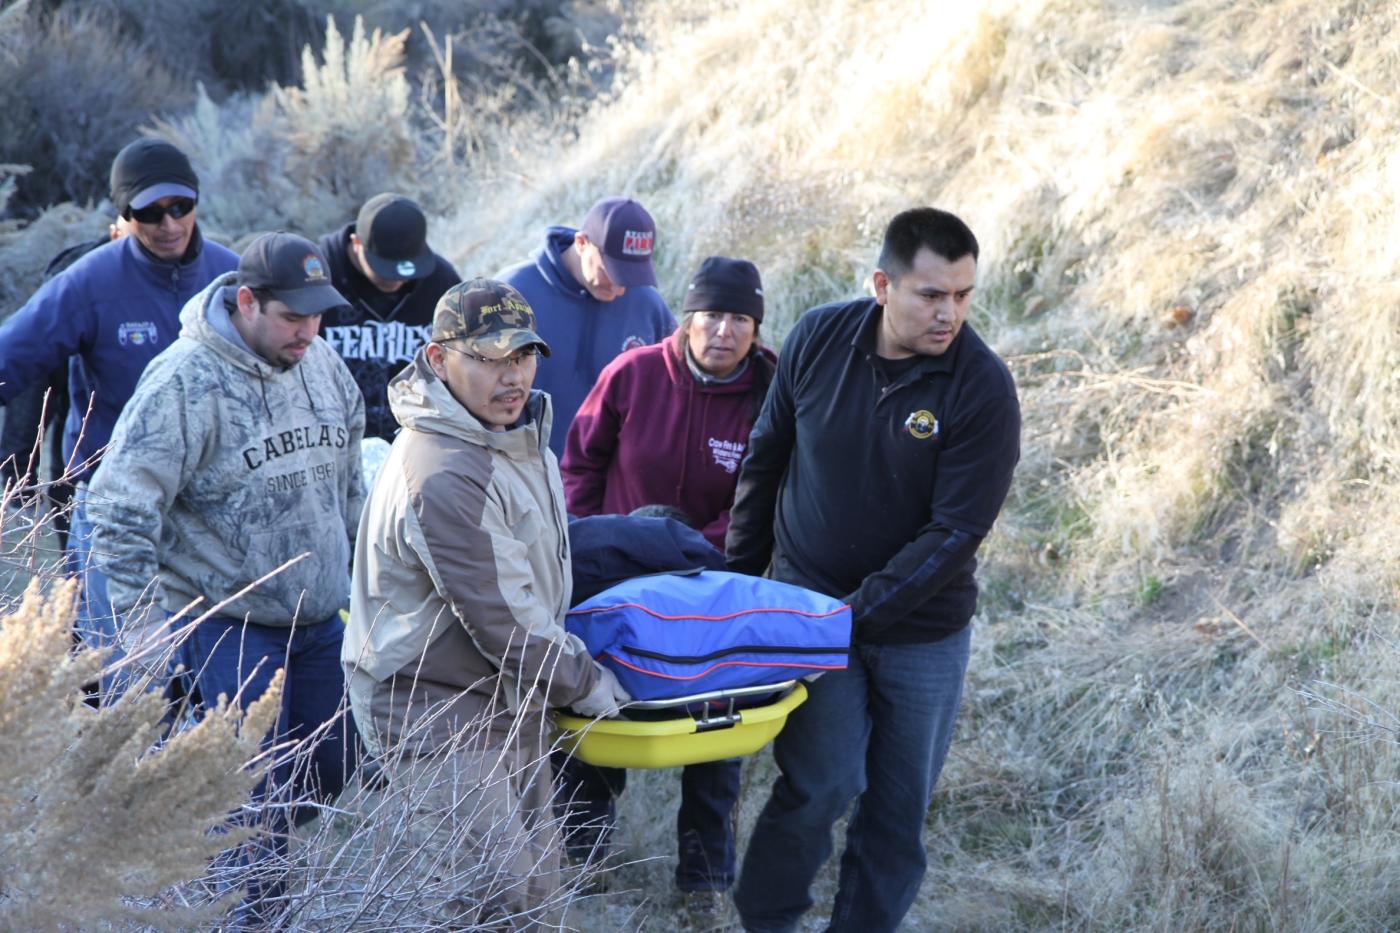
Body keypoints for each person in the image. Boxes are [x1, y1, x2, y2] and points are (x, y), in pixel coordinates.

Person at [726, 208, 1021, 933]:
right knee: (821, 783)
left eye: (963, 294)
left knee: (896, 811)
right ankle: (764, 922)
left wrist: (852, 616)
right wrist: (736, 585)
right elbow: (766, 460)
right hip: (810, 602)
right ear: (883, 284)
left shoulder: (982, 388)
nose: (948, 312)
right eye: (931, 294)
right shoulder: (820, 338)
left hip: (923, 630)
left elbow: (954, 533)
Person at [89, 232, 365, 922]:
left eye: (318, 315)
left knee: (333, 765)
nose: (310, 330)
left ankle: (221, 846)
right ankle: (251, 901)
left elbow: (349, 483)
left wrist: (366, 580)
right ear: (246, 301)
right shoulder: (184, 380)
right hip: (224, 619)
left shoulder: (324, 365)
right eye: (293, 317)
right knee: (258, 790)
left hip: (316, 618)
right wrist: (144, 632)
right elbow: (119, 508)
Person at [342, 278, 630, 927]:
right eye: (488, 358)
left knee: (539, 889)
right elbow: (506, 619)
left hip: (505, 694)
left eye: (522, 356)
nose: (512, 376)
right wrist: (587, 681)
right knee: (488, 899)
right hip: (434, 708)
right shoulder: (446, 470)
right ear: (440, 360)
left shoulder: (512, 437)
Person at [557, 256, 776, 910]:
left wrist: (690, 551)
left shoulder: (771, 390)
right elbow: (579, 464)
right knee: (594, 712)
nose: (724, 331)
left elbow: (761, 499)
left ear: (755, 327)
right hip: (614, 583)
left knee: (715, 732)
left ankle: (703, 883)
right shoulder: (633, 374)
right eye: (712, 315)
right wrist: (597, 543)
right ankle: (582, 854)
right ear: (688, 316)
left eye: (741, 318)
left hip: (714, 585)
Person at [0, 138, 238, 689]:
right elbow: (12, 357)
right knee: (126, 674)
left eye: (180, 206)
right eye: (149, 212)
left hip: (213, 508)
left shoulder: (232, 279)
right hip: (114, 507)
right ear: (123, 216)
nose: (168, 223)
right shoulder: (89, 283)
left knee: (219, 674)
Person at [495, 195, 675, 457]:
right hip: (523, 474)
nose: (619, 287)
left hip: (607, 483)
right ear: (581, 243)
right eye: (610, 271)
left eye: (631, 275)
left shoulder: (648, 304)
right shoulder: (511, 293)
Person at [0, 215, 129, 551]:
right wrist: (19, 469)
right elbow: (33, 375)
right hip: (83, 461)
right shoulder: (78, 278)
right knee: (84, 585)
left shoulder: (203, 270)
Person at [317, 192, 461, 442]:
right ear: (356, 243)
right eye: (384, 269)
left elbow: (462, 362)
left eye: (406, 270)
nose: (397, 280)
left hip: (415, 442)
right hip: (331, 440)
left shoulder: (441, 283)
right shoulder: (320, 276)